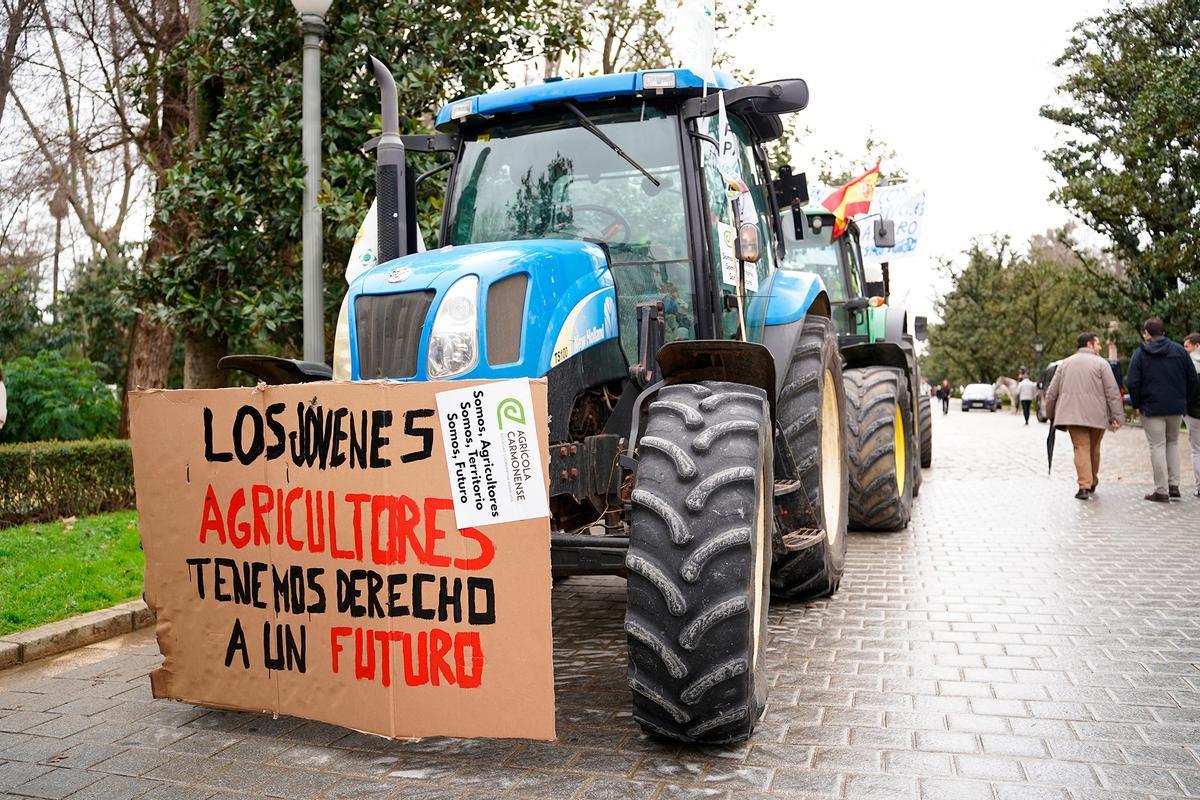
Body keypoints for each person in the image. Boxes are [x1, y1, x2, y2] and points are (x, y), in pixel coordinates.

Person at [1044, 332, 1123, 500]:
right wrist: (1117, 416)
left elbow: (1051, 392)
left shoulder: (1065, 364)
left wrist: (1050, 413)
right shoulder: (1102, 364)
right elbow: (1112, 392)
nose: (1100, 347)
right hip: (1098, 415)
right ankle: (1091, 480)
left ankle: (1084, 486)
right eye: (1098, 344)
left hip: (1072, 415)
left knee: (1081, 448)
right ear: (1089, 344)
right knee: (1094, 448)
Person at [1126, 319, 1198, 502]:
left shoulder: (1140, 353)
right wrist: (1185, 401)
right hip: (1176, 407)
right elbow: (1192, 379)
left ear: (1147, 334)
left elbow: (1133, 382)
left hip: (1151, 407)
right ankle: (1174, 485)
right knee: (1172, 443)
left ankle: (1161, 490)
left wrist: (1137, 404)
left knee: (1157, 445)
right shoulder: (1180, 351)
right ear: (1163, 332)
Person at [1186, 333, 1200, 497]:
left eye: (1187, 346)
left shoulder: (1189, 365)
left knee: (1197, 450)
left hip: (1194, 413)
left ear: (1197, 345)